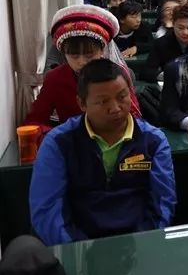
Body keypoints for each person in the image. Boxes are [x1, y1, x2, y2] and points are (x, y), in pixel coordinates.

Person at [29, 59, 176, 245]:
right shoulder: (58, 143)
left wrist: (141, 244)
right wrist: (80, 250)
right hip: (79, 245)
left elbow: (163, 203)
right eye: (103, 101)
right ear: (82, 103)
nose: (115, 108)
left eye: (122, 97)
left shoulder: (153, 140)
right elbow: (47, 210)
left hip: (139, 244)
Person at [25, 5, 142, 133]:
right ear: (64, 54)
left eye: (89, 55)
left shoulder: (117, 75)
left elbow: (134, 117)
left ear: (102, 50)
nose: (81, 62)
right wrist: (57, 136)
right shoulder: (55, 79)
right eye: (74, 56)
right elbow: (35, 120)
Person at [142, 4, 188, 81]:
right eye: (180, 28)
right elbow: (146, 72)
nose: (185, 32)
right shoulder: (161, 43)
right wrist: (168, 75)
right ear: (173, 24)